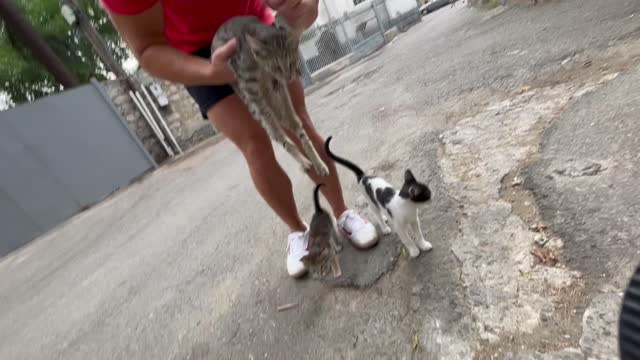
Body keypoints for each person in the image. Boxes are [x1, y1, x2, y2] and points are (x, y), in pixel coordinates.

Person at [101, 0, 378, 277]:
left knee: (297, 122)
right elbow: (147, 49)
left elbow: (302, 9)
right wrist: (210, 72)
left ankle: (342, 213)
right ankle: (297, 231)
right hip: (196, 53)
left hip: (253, 27)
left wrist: (301, 9)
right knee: (254, 144)